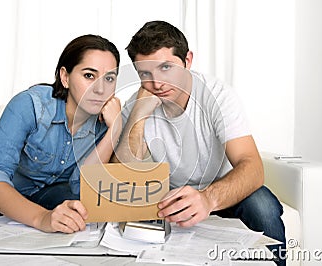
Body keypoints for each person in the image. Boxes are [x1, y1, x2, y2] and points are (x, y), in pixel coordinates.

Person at [113, 21, 286, 265]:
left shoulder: (216, 95)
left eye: (166, 68)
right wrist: (138, 116)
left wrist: (207, 199)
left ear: (188, 60)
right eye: (145, 74)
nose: (157, 84)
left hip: (225, 190)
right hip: (171, 195)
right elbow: (118, 178)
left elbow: (252, 167)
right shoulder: (138, 101)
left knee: (262, 206)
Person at [0, 34, 122, 235]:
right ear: (65, 77)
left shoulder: (105, 121)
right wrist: (42, 218)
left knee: (82, 218)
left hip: (47, 191)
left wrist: (115, 129)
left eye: (109, 78)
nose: (100, 89)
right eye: (89, 76)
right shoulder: (30, 105)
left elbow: (82, 188)